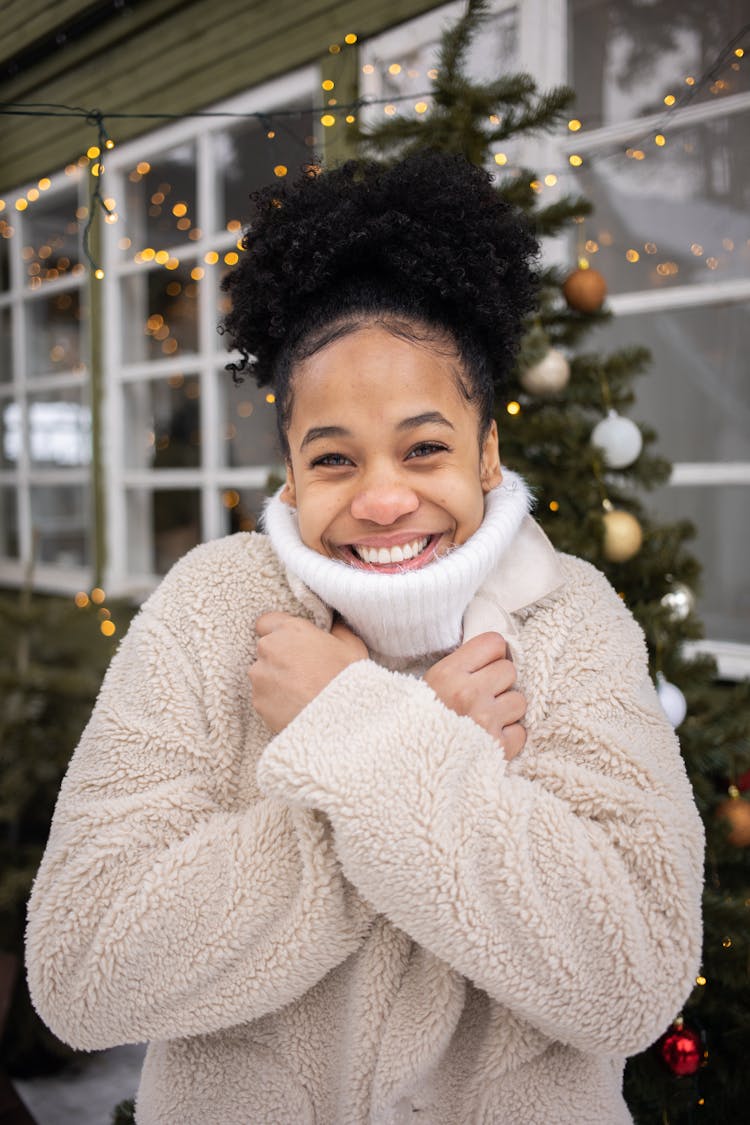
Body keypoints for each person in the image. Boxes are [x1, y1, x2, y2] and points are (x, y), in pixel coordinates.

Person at [26, 152, 704, 1125]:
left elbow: (632, 979)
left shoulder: (573, 617)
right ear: (292, 473)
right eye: (335, 457)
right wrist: (411, 737)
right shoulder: (210, 608)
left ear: (486, 451)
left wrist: (352, 725)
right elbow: (82, 971)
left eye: (424, 447)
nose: (384, 499)